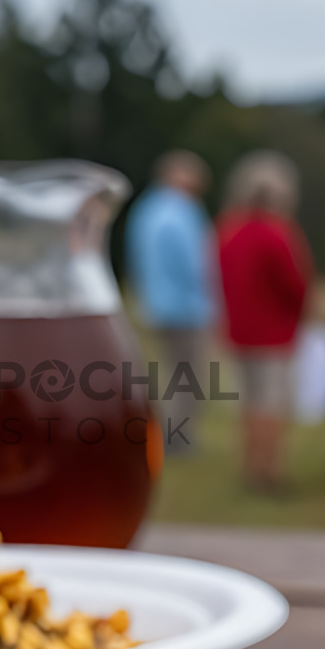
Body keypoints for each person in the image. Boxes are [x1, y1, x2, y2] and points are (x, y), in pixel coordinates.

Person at [216, 151, 311, 492]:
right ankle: (268, 472)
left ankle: (252, 467)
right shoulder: (277, 233)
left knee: (249, 404)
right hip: (273, 333)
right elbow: (295, 285)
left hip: (239, 331)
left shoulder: (227, 231)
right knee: (271, 405)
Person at [125, 149, 216, 453]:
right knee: (188, 376)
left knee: (170, 373)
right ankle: (178, 437)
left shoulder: (146, 209)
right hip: (184, 307)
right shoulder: (181, 211)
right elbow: (195, 264)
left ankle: (165, 432)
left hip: (154, 304)